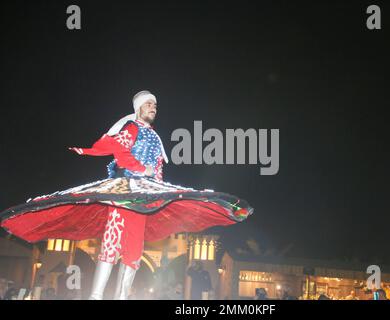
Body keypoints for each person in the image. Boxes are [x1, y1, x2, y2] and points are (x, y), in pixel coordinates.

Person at [1, 91, 253, 300]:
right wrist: (140, 168)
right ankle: (96, 296)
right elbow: (120, 150)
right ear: (138, 108)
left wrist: (158, 187)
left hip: (144, 197)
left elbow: (158, 167)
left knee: (134, 250)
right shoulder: (131, 127)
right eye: (149, 104)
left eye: (155, 105)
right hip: (124, 192)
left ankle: (122, 297)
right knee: (111, 244)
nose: (153, 107)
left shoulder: (155, 136)